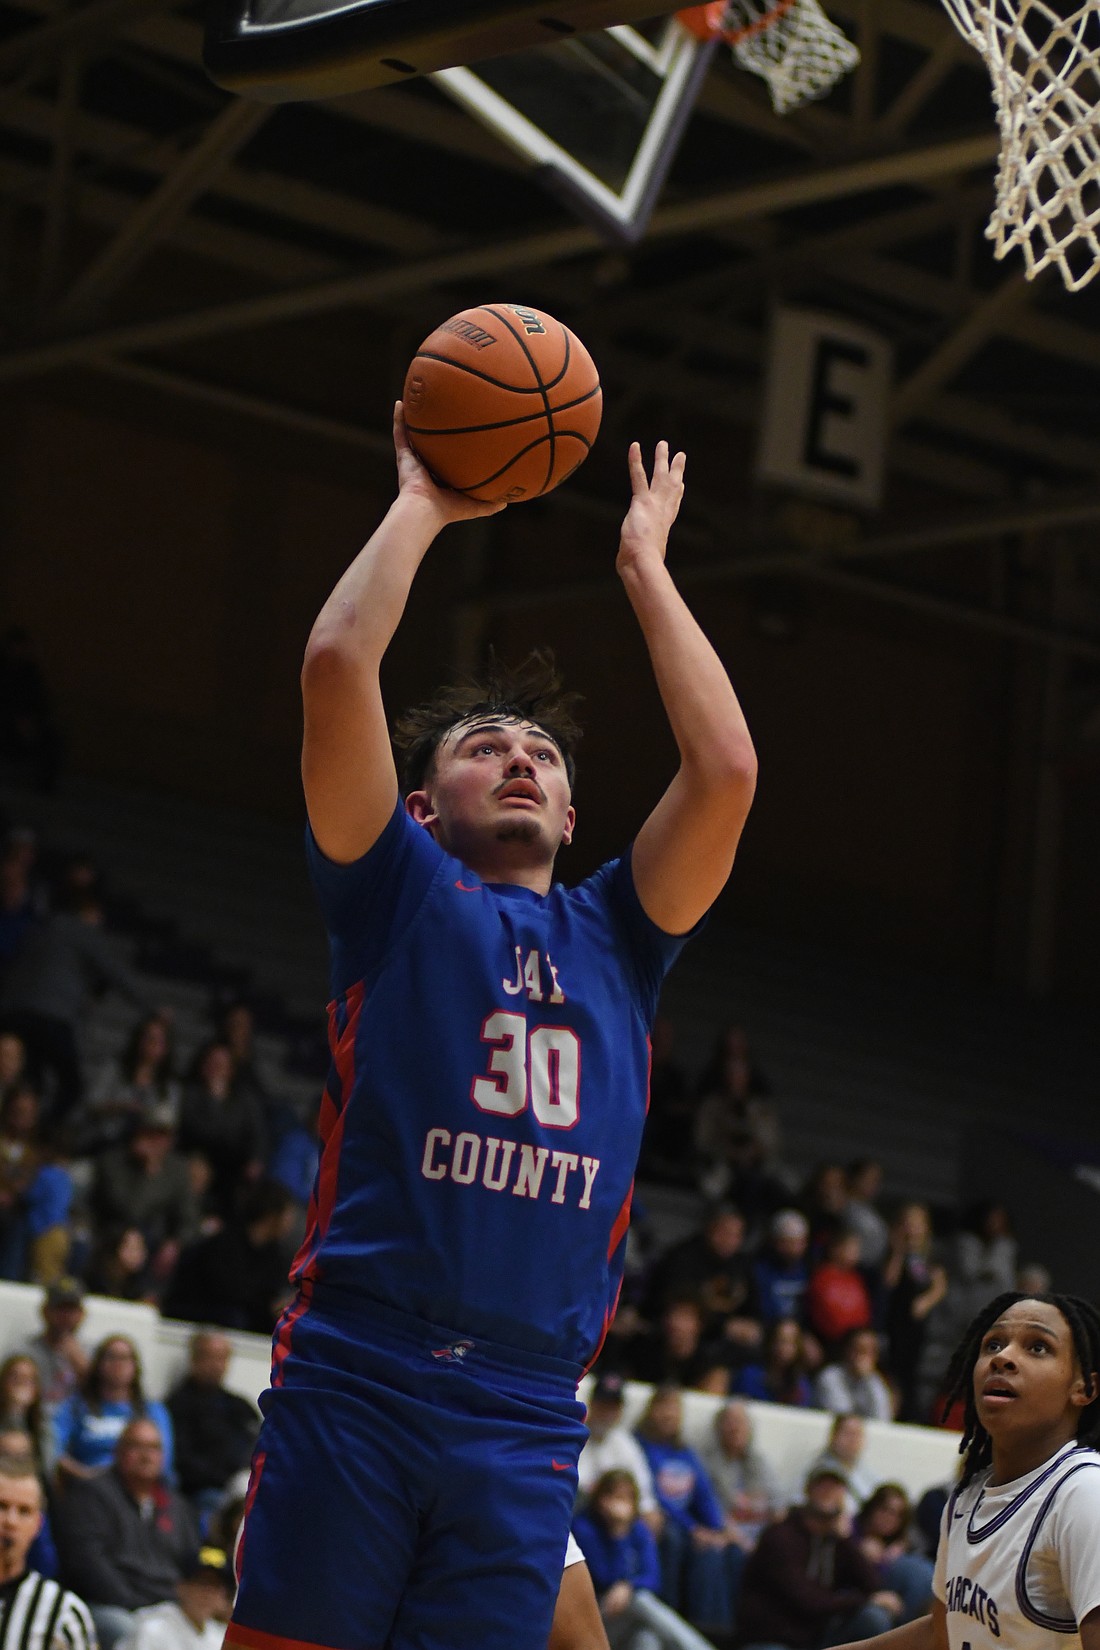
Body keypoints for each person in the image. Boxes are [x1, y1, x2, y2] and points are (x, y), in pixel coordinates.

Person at [225, 411, 757, 1650]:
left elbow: (724, 767)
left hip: (524, 1410)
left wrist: (646, 572)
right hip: (359, 1368)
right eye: (483, 747)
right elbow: (333, 667)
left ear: (574, 816)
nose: (519, 761)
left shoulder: (623, 935)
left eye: (543, 755)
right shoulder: (395, 890)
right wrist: (423, 501)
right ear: (419, 803)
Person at [827, 1290, 1100, 1650]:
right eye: (993, 1345)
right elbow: (944, 1635)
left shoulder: (1084, 1493)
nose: (1003, 1357)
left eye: (1037, 1347)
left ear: (1084, 1388)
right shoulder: (965, 1498)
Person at [53, 1419, 200, 1650]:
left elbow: (191, 1565)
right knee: (130, 1630)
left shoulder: (178, 1506)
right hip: (112, 1606)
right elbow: (88, 1565)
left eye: (154, 1448)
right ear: (118, 1452)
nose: (146, 1456)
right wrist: (136, 1605)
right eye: (136, 1446)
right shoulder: (91, 1494)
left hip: (168, 1607)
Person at [734, 1466, 902, 1650]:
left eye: (835, 1487)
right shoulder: (781, 1536)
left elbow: (873, 1585)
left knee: (873, 1618)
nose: (828, 1492)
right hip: (772, 1638)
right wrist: (865, 1600)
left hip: (815, 1637)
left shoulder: (835, 1541)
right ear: (808, 1491)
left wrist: (846, 1540)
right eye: (822, 1486)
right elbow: (809, 1601)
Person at [573, 1470, 719, 1650]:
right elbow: (605, 1579)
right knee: (639, 1599)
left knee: (647, 1637)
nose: (621, 1506)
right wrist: (617, 1533)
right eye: (617, 1497)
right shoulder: (584, 1529)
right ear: (602, 1500)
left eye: (627, 1498)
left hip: (630, 1614)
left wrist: (628, 1586)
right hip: (597, 1617)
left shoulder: (638, 1529)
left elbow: (653, 1579)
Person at [634, 1386, 741, 1628]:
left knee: (725, 1551)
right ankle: (668, 1618)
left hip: (689, 1524)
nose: (669, 1415)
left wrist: (718, 1528)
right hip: (668, 1521)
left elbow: (704, 1495)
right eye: (664, 1408)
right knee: (676, 1539)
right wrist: (693, 1528)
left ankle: (717, 1629)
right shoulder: (640, 1446)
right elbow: (653, 1495)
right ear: (651, 1411)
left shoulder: (685, 1452)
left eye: (675, 1409)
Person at [0, 1455, 96, 1650]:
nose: (11, 1521)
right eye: (1, 1506)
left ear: (38, 1524)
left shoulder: (64, 1614)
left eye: (24, 1511)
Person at [53, 1336, 174, 1485]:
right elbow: (53, 1449)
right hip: (88, 1484)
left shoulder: (152, 1410)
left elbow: (164, 1462)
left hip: (137, 1485)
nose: (119, 1364)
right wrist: (83, 1474)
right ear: (98, 1364)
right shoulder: (75, 1406)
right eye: (112, 1357)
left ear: (136, 1367)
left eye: (125, 1358)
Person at [166, 1331, 259, 1524]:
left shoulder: (241, 1405)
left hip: (243, 1484)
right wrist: (224, 1476)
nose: (216, 1365)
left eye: (222, 1358)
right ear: (194, 1359)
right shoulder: (177, 1405)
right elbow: (182, 1459)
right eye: (209, 1357)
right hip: (203, 1491)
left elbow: (258, 1442)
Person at [883, 1203, 947, 1423]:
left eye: (917, 1223)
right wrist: (898, 1251)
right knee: (895, 1376)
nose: (912, 1228)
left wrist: (925, 1301)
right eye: (908, 1223)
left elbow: (939, 1286)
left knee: (915, 1380)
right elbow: (888, 1282)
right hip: (895, 1324)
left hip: (920, 1330)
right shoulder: (892, 1254)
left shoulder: (929, 1258)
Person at [578, 1374, 662, 1532]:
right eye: (603, 1405)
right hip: (583, 1513)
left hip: (620, 1516)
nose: (606, 1413)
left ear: (620, 1411)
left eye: (612, 1407)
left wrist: (648, 1511)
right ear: (591, 1403)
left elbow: (643, 1491)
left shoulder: (625, 1443)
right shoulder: (575, 1435)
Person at [698, 1400, 784, 1553]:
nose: (735, 1428)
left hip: (760, 1535)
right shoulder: (706, 1462)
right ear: (719, 1428)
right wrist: (741, 1541)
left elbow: (777, 1505)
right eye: (730, 1422)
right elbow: (710, 1506)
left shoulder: (759, 1462)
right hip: (727, 1535)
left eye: (740, 1422)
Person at [115, 1546, 235, 1650]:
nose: (207, 1594)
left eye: (216, 1587)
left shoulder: (219, 1637)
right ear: (181, 1586)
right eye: (202, 1584)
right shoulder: (154, 1628)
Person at [851, 1484, 933, 1623]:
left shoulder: (896, 1543)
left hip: (890, 1594)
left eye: (897, 1515)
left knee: (924, 1571)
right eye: (885, 1510)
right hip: (859, 1595)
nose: (890, 1518)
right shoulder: (851, 1530)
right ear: (873, 1507)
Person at [18, 1277, 90, 1413]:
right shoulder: (24, 1352)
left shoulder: (93, 1352)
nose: (66, 1317)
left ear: (82, 1314)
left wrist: (84, 1369)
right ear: (44, 1311)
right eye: (60, 1309)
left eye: (72, 1310)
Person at [814, 1329, 894, 1422]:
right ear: (847, 1350)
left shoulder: (876, 1382)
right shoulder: (830, 1376)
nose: (862, 1357)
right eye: (859, 1349)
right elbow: (842, 1416)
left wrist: (868, 1380)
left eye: (869, 1352)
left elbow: (883, 1417)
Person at [734, 1319, 812, 1408]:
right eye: (780, 1340)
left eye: (790, 1342)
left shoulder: (800, 1386)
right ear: (771, 1342)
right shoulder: (749, 1376)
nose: (784, 1348)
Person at [808, 1415, 879, 1511]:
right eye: (848, 1433)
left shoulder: (866, 1472)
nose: (853, 1440)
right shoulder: (819, 1471)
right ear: (833, 1436)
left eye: (857, 1434)